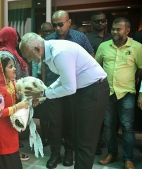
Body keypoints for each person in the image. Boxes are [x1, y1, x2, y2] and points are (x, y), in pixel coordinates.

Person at [19, 32, 110, 169]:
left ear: (37, 49)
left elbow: (69, 87)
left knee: (85, 141)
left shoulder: (59, 53)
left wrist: (44, 93)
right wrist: (46, 92)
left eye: (29, 56)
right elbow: (64, 78)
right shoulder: (50, 52)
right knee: (79, 138)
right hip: (84, 90)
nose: (30, 60)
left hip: (94, 90)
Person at [43, 10, 95, 168]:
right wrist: (45, 85)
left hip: (73, 87)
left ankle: (69, 153)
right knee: (55, 123)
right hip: (54, 86)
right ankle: (55, 154)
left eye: (61, 24)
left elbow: (90, 55)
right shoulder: (48, 40)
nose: (58, 28)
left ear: (69, 22)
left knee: (71, 122)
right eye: (55, 25)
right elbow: (44, 65)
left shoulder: (80, 38)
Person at [96, 17, 142, 169]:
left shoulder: (137, 47)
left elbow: (141, 68)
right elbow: (96, 67)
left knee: (127, 126)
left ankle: (128, 158)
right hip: (107, 92)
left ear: (127, 30)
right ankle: (112, 153)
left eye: (118, 29)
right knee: (108, 125)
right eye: (113, 29)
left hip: (126, 92)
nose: (114, 31)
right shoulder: (104, 46)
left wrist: (137, 81)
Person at [0, 56, 29, 169]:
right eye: (10, 67)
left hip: (11, 128)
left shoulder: (12, 84)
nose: (14, 69)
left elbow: (18, 100)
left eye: (14, 66)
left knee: (13, 158)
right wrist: (17, 107)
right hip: (0, 130)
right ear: (2, 70)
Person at [0, 26, 30, 160]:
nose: (16, 40)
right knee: (11, 123)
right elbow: (3, 75)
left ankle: (14, 151)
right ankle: (13, 153)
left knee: (13, 124)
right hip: (10, 92)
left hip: (14, 89)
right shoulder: (4, 53)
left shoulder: (10, 51)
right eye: (15, 37)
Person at [87, 10, 112, 155]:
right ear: (92, 23)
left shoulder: (112, 37)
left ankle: (105, 141)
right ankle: (95, 143)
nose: (101, 23)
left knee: (108, 116)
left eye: (103, 20)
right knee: (94, 115)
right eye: (97, 21)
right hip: (94, 82)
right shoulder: (88, 39)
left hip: (112, 83)